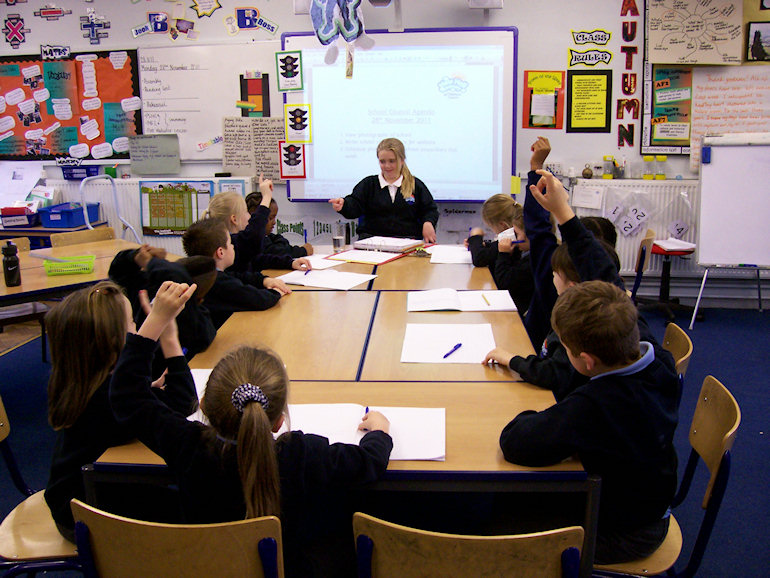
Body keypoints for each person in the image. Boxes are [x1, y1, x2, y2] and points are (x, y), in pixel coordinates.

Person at [109, 280, 393, 577]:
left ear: (203, 404)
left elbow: (127, 395)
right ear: (280, 420)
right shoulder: (301, 454)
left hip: (208, 568)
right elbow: (369, 462)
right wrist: (379, 433)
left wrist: (156, 321)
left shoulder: (187, 444)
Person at [497, 280, 680, 565]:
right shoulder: (663, 364)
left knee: (500, 525)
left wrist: (530, 415)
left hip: (623, 535)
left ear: (586, 361)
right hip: (652, 508)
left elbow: (515, 442)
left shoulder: (596, 404)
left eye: (565, 351)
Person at [43, 281, 198, 542]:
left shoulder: (88, 384)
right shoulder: (108, 399)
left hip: (83, 497)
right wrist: (165, 333)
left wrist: (165, 333)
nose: (137, 329)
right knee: (197, 503)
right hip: (86, 515)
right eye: (132, 324)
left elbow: (176, 401)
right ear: (116, 340)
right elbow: (184, 403)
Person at [109, 245, 217, 359]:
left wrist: (151, 262)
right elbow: (117, 272)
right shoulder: (146, 287)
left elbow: (175, 274)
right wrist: (137, 255)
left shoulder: (193, 323)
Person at [182, 218, 288, 328]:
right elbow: (256, 299)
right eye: (230, 243)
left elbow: (238, 277)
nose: (233, 246)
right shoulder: (218, 282)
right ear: (220, 252)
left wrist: (264, 280)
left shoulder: (202, 274)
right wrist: (276, 292)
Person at [328, 137, 439, 242]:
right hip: (371, 243)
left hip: (407, 243)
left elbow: (430, 210)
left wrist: (428, 222)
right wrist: (344, 205)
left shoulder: (415, 185)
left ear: (402, 160)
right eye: (382, 161)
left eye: (392, 161)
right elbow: (354, 205)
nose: (387, 166)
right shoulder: (368, 184)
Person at [204, 175, 311, 275]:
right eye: (245, 212)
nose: (250, 216)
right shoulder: (236, 243)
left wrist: (290, 263)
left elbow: (259, 259)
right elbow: (254, 235)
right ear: (234, 219)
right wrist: (266, 197)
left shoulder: (238, 243)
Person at [466, 194, 534, 313]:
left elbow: (480, 259)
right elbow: (490, 251)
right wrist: (484, 244)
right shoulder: (523, 245)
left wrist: (476, 237)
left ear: (502, 225)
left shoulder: (527, 257)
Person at [245, 190, 313, 258]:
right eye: (270, 218)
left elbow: (282, 244)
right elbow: (278, 252)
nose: (274, 222)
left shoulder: (268, 237)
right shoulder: (252, 241)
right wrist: (302, 251)